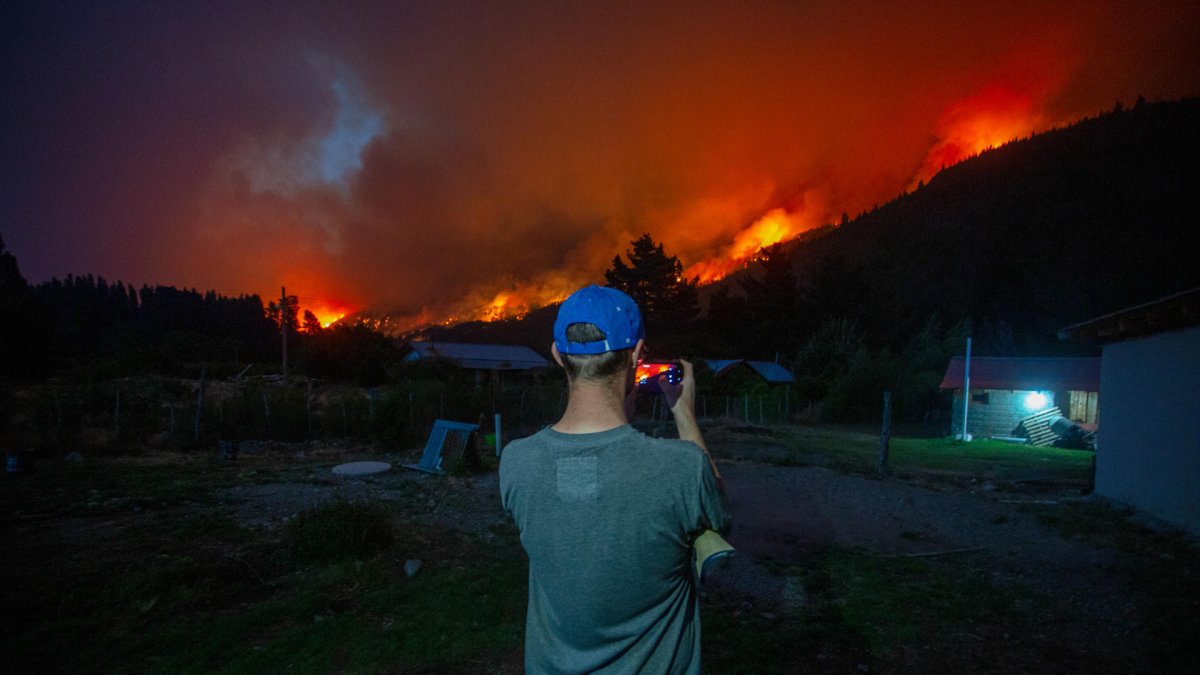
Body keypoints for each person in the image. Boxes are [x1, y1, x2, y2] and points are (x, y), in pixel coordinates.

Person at [499, 284, 731, 674]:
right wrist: (683, 411)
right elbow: (719, 511)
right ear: (639, 355)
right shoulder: (682, 469)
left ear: (558, 355)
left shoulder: (515, 462)